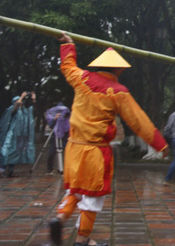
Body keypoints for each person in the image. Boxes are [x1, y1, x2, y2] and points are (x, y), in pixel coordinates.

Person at [49, 33, 168, 246]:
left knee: (75, 191)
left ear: (99, 66)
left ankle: (59, 219)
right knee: (92, 198)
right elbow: (139, 121)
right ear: (119, 69)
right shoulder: (119, 92)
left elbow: (67, 66)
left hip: (74, 149)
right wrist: (161, 145)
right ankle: (82, 240)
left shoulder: (81, 77)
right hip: (96, 152)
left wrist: (68, 45)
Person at [0, 91, 36, 177]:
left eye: (21, 101)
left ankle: (11, 171)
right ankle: (2, 170)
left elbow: (33, 111)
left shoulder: (24, 111)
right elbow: (13, 110)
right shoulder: (10, 109)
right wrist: (21, 97)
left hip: (21, 136)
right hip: (12, 135)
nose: (21, 102)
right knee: (7, 152)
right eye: (18, 101)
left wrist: (33, 99)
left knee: (17, 153)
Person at [45, 103, 71, 174]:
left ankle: (67, 168)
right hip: (55, 135)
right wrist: (55, 119)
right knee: (51, 153)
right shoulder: (52, 116)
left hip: (65, 136)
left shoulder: (67, 116)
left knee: (67, 152)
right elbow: (51, 125)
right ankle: (50, 169)